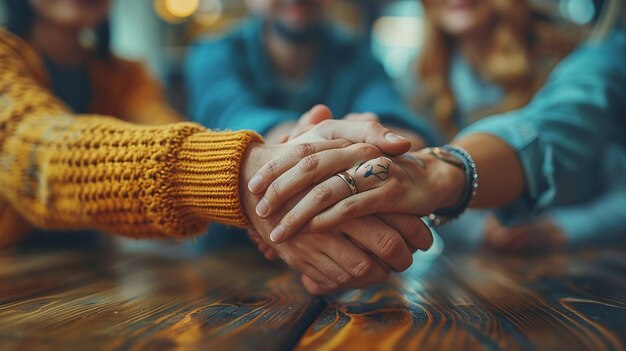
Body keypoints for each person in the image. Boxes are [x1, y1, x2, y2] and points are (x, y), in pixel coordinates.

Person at [0, 0, 434, 295]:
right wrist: (245, 173)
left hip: (90, 277)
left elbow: (170, 130)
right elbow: (39, 154)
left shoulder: (122, 76)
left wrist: (269, 180)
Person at [246, 24, 626, 272]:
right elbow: (413, 184)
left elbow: (563, 126)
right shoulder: (418, 77)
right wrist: (294, 162)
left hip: (591, 266)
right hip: (477, 274)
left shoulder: (586, 54)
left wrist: (566, 228)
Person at [400, 0, 626, 253]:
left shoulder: (572, 59)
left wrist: (562, 227)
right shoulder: (418, 81)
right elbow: (430, 202)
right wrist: (480, 230)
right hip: (481, 267)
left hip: (587, 262)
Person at [185, 0, 439, 147]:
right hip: (232, 236)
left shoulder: (358, 59)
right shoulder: (215, 56)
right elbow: (233, 123)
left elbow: (406, 138)